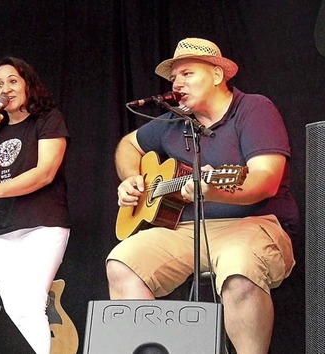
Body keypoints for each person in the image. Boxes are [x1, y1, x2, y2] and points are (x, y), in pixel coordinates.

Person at [107, 38, 297, 354]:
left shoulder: (253, 109)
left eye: (187, 74)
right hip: (186, 228)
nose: (177, 83)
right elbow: (128, 145)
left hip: (254, 223)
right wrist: (131, 178)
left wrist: (215, 189)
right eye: (174, 78)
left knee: (239, 268)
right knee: (123, 262)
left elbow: (266, 180)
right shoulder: (173, 122)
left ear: (218, 75)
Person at [0, 57, 70, 354]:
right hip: (4, 227)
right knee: (14, 308)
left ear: (28, 84)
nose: (6, 88)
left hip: (44, 222)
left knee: (30, 303)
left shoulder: (48, 119)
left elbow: (45, 172)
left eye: (13, 81)